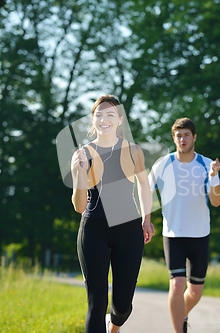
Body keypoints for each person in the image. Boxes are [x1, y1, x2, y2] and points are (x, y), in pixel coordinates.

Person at [71, 94, 155, 333]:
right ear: (93, 119)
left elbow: (143, 185)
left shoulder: (133, 151)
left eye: (111, 115)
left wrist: (147, 219)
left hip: (128, 229)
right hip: (93, 228)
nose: (104, 119)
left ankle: (114, 327)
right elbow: (78, 206)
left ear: (120, 120)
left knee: (123, 305)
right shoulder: (82, 154)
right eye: (99, 115)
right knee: (97, 303)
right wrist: (78, 175)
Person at [149, 117, 220, 333]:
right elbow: (145, 189)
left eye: (186, 135)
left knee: (195, 292)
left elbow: (217, 201)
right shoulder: (163, 164)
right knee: (177, 284)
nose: (182, 139)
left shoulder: (206, 165)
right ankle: (178, 330)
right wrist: (147, 219)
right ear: (174, 138)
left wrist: (214, 177)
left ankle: (180, 314)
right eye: (178, 135)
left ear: (194, 137)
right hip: (173, 234)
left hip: (200, 234)